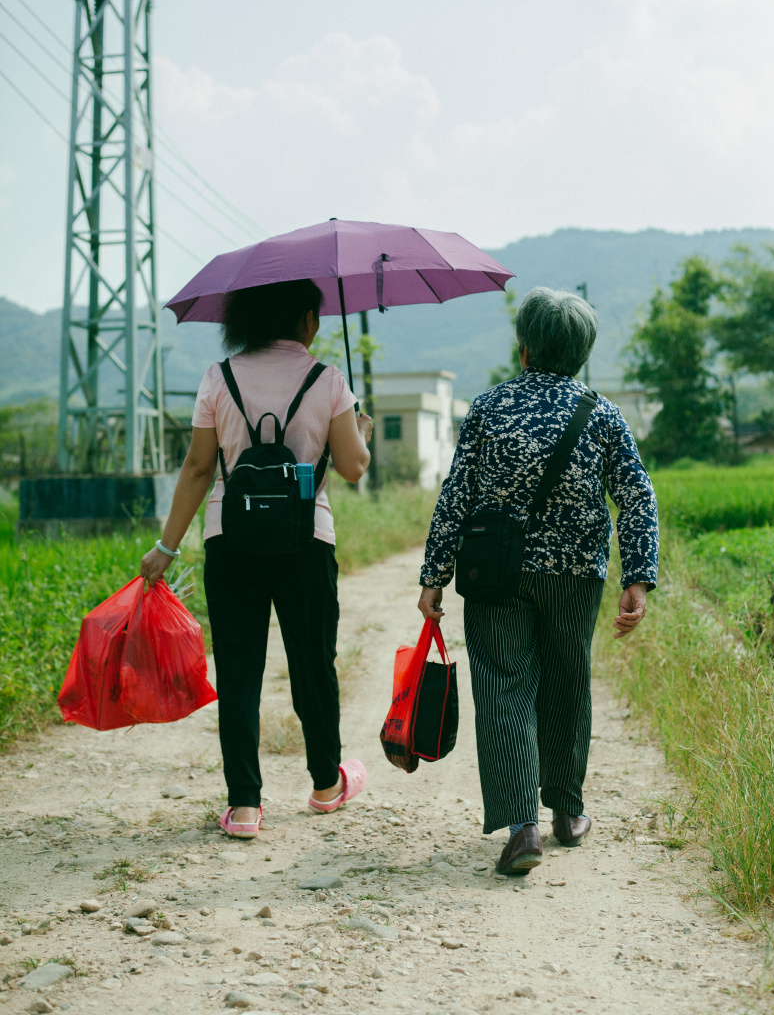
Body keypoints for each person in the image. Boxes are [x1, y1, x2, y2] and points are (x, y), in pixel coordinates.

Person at [417, 287, 658, 875]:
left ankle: (522, 823)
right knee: (567, 682)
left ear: (522, 348)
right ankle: (568, 811)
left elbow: (456, 497)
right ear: (581, 353)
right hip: (574, 575)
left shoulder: (489, 407)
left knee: (503, 685)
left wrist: (434, 576)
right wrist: (639, 578)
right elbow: (636, 497)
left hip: (494, 572)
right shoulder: (600, 415)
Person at [140, 279, 373, 838]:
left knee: (240, 671)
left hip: (230, 540)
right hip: (305, 542)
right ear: (307, 322)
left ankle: (244, 805)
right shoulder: (328, 380)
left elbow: (198, 468)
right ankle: (325, 784)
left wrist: (166, 547)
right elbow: (353, 467)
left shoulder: (218, 378)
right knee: (313, 663)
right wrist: (359, 432)